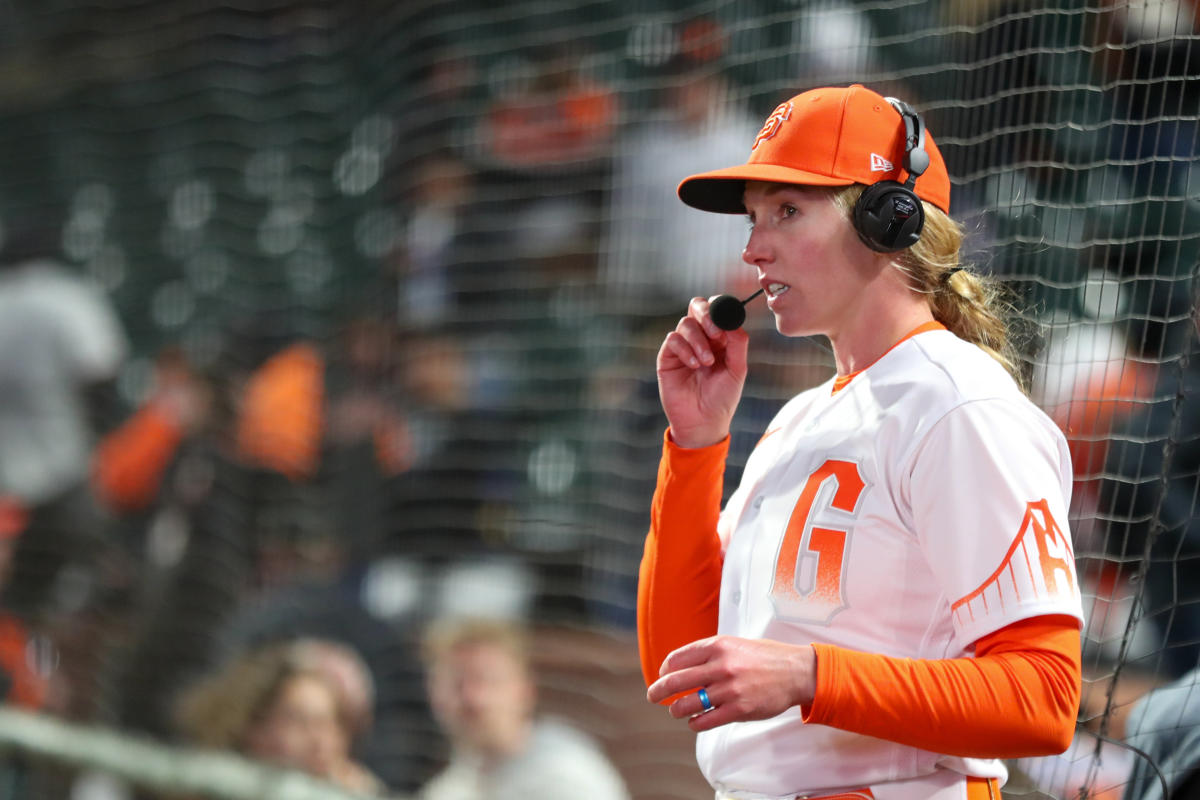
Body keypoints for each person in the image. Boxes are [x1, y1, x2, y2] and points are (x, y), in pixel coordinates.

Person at [638, 83, 1085, 800]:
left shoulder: (958, 404)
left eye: (787, 212)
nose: (754, 249)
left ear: (889, 220)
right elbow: (681, 672)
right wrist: (695, 447)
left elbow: (1044, 699)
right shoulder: (799, 420)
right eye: (754, 219)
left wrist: (810, 675)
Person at [418, 616, 629, 800]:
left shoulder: (567, 774)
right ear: (433, 694)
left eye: (488, 680)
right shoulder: (446, 791)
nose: (472, 699)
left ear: (525, 690)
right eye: (457, 683)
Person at [173, 639, 387, 796]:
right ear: (252, 728)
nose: (321, 741)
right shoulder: (209, 783)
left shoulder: (354, 790)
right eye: (301, 722)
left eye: (333, 724)